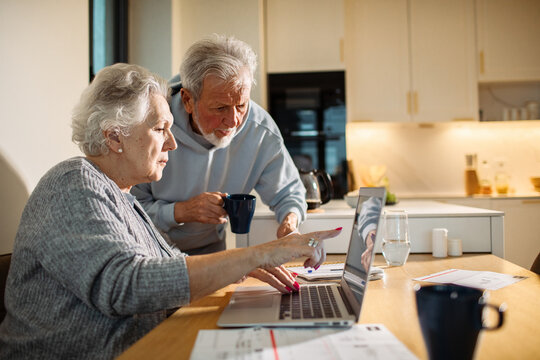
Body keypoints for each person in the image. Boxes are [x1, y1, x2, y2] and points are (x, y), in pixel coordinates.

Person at [0, 64, 341, 359]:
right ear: (115, 138)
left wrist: (243, 270)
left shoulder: (123, 196)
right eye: (160, 129)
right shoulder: (72, 184)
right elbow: (126, 286)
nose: (172, 143)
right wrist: (254, 256)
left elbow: (167, 268)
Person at [131, 34, 307, 255]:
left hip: (212, 253)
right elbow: (127, 210)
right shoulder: (151, 126)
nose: (234, 121)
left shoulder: (260, 130)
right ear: (187, 100)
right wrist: (180, 211)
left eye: (241, 105)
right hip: (150, 251)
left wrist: (290, 224)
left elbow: (289, 194)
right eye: (220, 108)